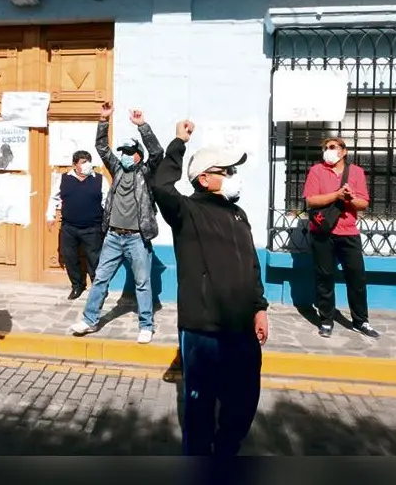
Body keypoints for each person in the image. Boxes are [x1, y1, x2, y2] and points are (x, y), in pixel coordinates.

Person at [151, 119, 269, 456]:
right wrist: (178, 143)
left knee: (243, 402)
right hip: (203, 330)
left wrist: (259, 307)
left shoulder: (239, 215)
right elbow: (161, 186)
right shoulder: (187, 212)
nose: (234, 176)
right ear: (205, 178)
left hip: (242, 329)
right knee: (200, 413)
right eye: (227, 170)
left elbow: (251, 264)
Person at [69, 101, 164, 344]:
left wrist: (142, 126)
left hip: (136, 238)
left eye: (128, 152)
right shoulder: (117, 169)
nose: (123, 155)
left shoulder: (145, 173)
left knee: (142, 283)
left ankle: (146, 325)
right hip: (113, 236)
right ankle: (90, 320)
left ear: (138, 156)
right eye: (121, 151)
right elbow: (101, 147)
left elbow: (157, 153)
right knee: (101, 278)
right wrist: (104, 120)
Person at [302, 137, 380, 339]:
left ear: (344, 151)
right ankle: (326, 320)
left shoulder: (356, 172)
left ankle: (361, 321)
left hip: (348, 232)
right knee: (324, 277)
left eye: (332, 147)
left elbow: (363, 203)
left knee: (356, 278)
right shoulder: (316, 171)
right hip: (322, 232)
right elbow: (311, 200)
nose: (328, 151)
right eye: (325, 148)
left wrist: (350, 198)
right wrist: (336, 195)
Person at [45, 149, 110, 300]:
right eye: (83, 162)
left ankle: (98, 288)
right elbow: (53, 198)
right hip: (69, 227)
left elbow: (107, 202)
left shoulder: (100, 179)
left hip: (93, 228)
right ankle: (77, 285)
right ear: (75, 165)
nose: (87, 165)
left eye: (88, 161)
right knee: (70, 257)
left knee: (95, 259)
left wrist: (108, 222)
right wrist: (50, 216)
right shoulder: (63, 179)